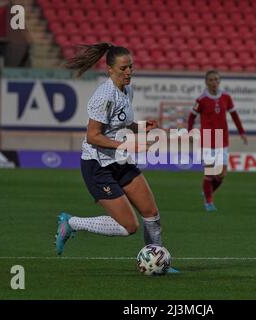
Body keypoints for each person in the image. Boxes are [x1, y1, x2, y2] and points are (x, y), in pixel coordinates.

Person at [56, 42, 179, 273]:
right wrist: (125, 144)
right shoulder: (104, 96)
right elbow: (93, 136)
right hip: (97, 165)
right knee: (128, 226)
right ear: (109, 70)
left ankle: (159, 263)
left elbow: (123, 123)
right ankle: (71, 223)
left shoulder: (127, 90)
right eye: (123, 68)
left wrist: (141, 126)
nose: (129, 72)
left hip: (119, 159)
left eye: (131, 67)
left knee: (152, 214)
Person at [187, 70, 247, 212]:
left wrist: (241, 132)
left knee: (221, 174)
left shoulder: (226, 97)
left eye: (216, 79)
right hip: (207, 137)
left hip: (222, 138)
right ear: (206, 82)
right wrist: (189, 132)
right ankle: (209, 202)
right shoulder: (201, 100)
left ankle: (208, 191)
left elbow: (235, 116)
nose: (214, 82)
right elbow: (191, 117)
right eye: (211, 80)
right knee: (210, 172)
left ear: (219, 81)